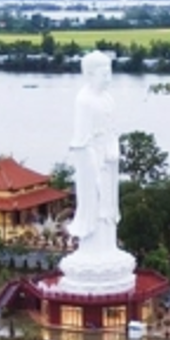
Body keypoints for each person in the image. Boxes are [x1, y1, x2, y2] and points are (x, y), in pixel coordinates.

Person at [67, 50, 121, 255]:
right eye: (103, 75)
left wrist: (114, 149)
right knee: (95, 202)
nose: (108, 79)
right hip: (92, 160)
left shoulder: (107, 98)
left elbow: (113, 130)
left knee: (108, 203)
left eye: (109, 74)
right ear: (89, 75)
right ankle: (94, 251)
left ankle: (109, 248)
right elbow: (81, 142)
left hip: (108, 157)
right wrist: (93, 169)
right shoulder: (84, 101)